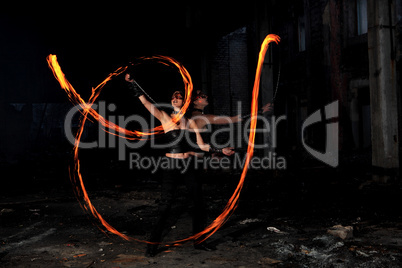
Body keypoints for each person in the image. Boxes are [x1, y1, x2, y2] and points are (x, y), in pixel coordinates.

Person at [125, 74, 234, 257]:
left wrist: (220, 149)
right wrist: (133, 84)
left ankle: (199, 242)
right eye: (173, 97)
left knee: (199, 203)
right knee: (166, 205)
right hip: (171, 165)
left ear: (184, 101)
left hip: (188, 165)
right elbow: (146, 104)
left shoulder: (191, 123)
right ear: (171, 101)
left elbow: (202, 145)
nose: (176, 98)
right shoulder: (165, 118)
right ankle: (152, 246)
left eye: (179, 97)